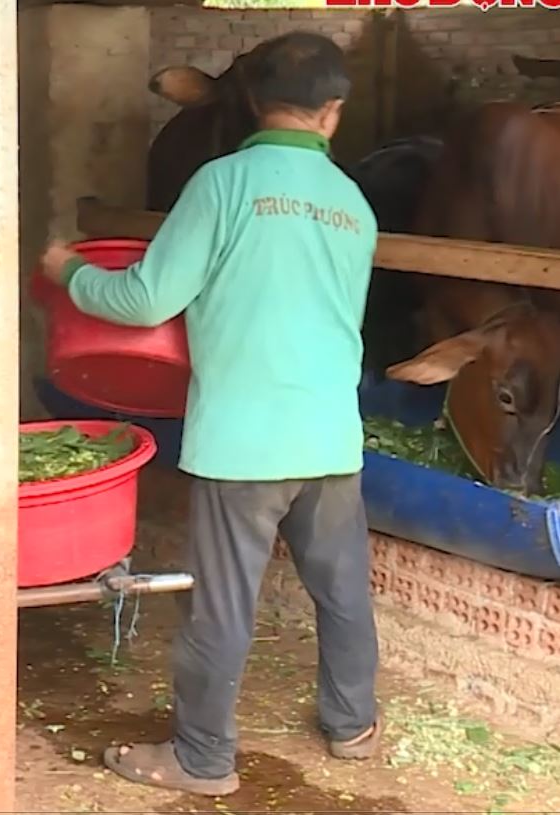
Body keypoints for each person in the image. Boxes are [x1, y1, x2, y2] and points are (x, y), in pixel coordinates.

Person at [40, 31, 382, 797]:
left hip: (244, 440)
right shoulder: (353, 205)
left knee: (222, 604)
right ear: (333, 112)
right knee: (343, 590)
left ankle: (200, 758)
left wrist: (70, 272)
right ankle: (353, 724)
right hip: (330, 436)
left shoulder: (222, 184)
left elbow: (145, 299)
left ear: (254, 102)